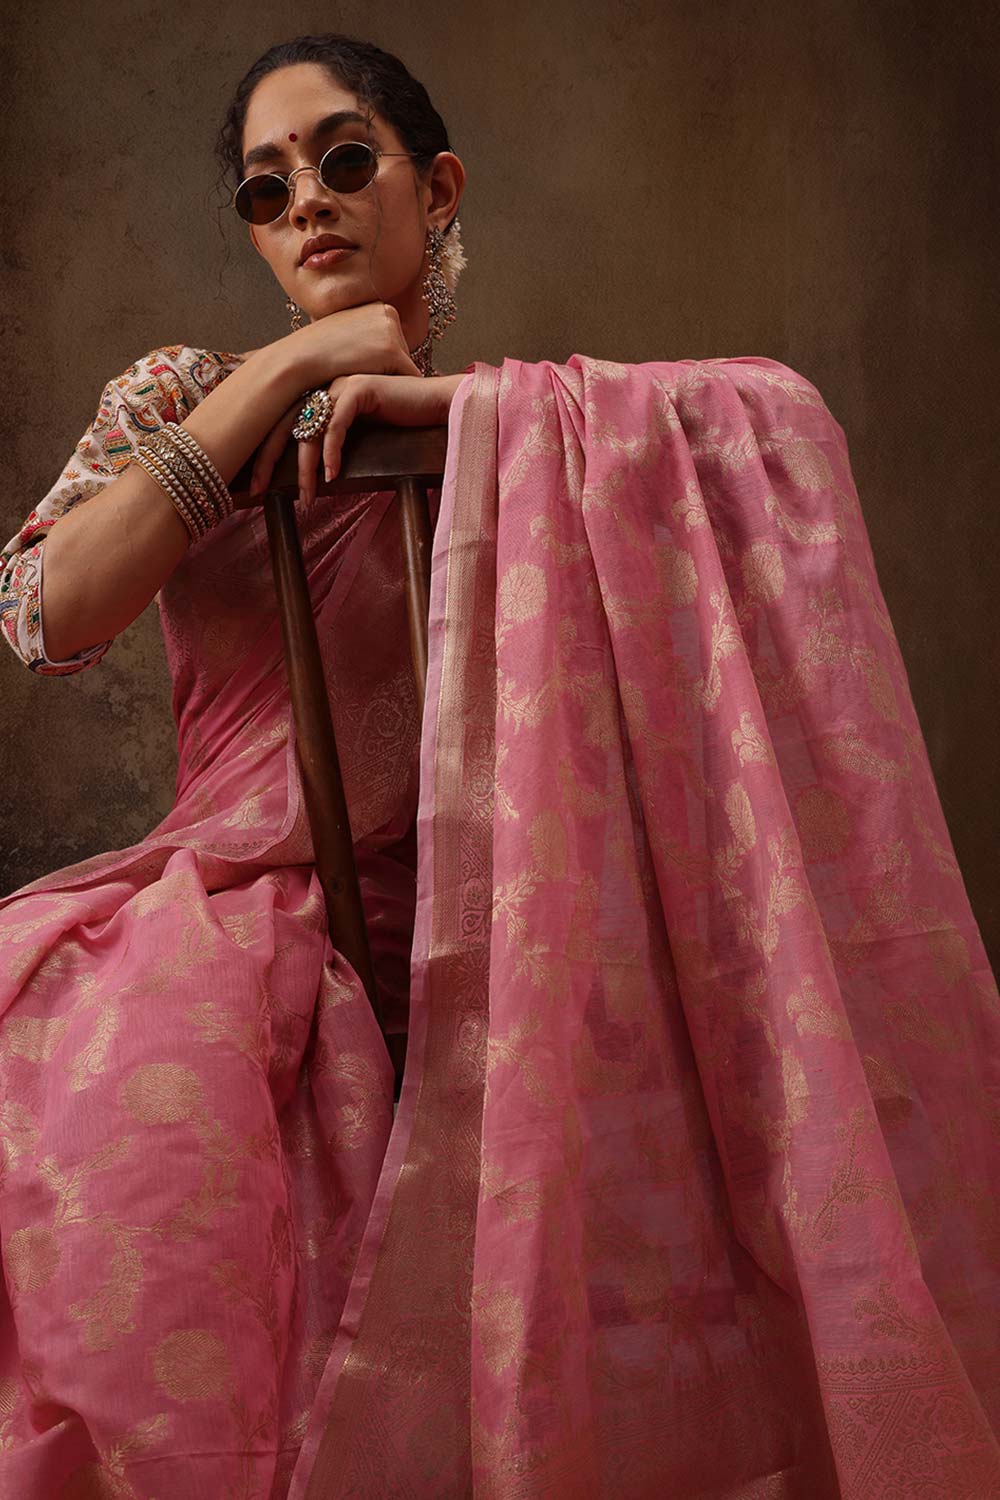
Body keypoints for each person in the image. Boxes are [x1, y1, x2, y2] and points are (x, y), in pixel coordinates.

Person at [1, 30, 998, 1500]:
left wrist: (457, 407)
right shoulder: (189, 389)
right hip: (249, 914)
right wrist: (295, 366)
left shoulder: (524, 436)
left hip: (511, 917)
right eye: (267, 192)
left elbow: (780, 413)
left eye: (345, 161)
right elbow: (47, 612)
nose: (306, 203)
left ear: (438, 186)